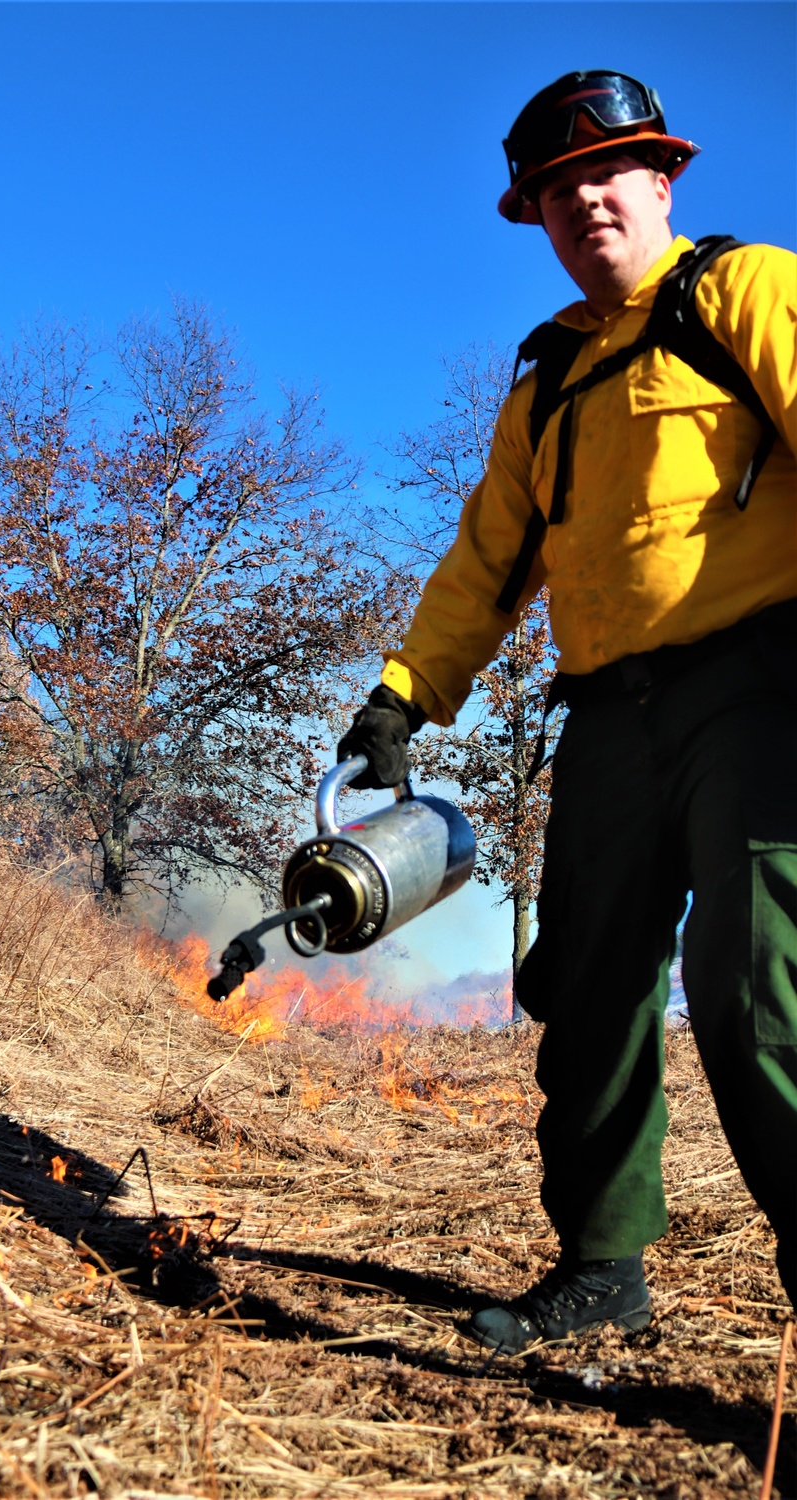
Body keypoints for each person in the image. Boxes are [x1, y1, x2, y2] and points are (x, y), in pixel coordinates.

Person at [338, 70, 796, 1354]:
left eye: (609, 176)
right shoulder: (545, 385)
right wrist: (400, 696)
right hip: (606, 719)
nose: (585, 202)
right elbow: (484, 560)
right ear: (534, 218)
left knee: (757, 984)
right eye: (555, 192)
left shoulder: (747, 292)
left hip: (759, 694)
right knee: (585, 985)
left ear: (662, 184)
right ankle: (601, 1264)